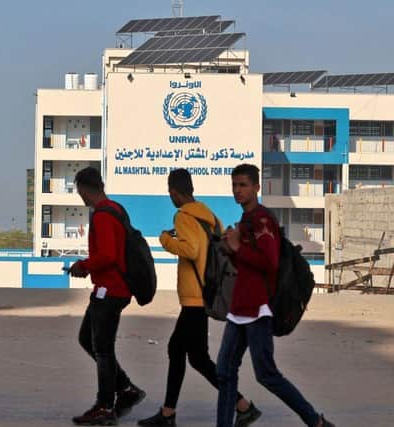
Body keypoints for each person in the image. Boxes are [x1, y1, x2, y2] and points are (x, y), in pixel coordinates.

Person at [138, 168, 260, 427]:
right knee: (195, 357)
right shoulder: (209, 215)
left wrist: (165, 239)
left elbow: (192, 250)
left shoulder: (183, 216)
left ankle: (173, 414)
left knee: (187, 353)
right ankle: (236, 405)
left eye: (169, 192)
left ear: (173, 191)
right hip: (208, 292)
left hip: (194, 298)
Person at [216, 164, 334, 427]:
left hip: (258, 309)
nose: (237, 190)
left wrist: (237, 247)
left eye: (243, 185)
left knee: (266, 374)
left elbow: (269, 262)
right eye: (234, 185)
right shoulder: (246, 221)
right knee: (224, 372)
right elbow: (246, 266)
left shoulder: (262, 220)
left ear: (257, 187)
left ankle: (315, 421)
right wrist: (231, 248)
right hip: (239, 309)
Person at [68, 167, 145, 426]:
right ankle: (126, 389)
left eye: (79, 193)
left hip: (110, 291)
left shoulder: (102, 216)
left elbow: (108, 256)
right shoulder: (117, 209)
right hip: (113, 289)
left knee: (103, 349)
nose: (81, 198)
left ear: (84, 190)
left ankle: (105, 406)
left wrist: (83, 266)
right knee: (87, 339)